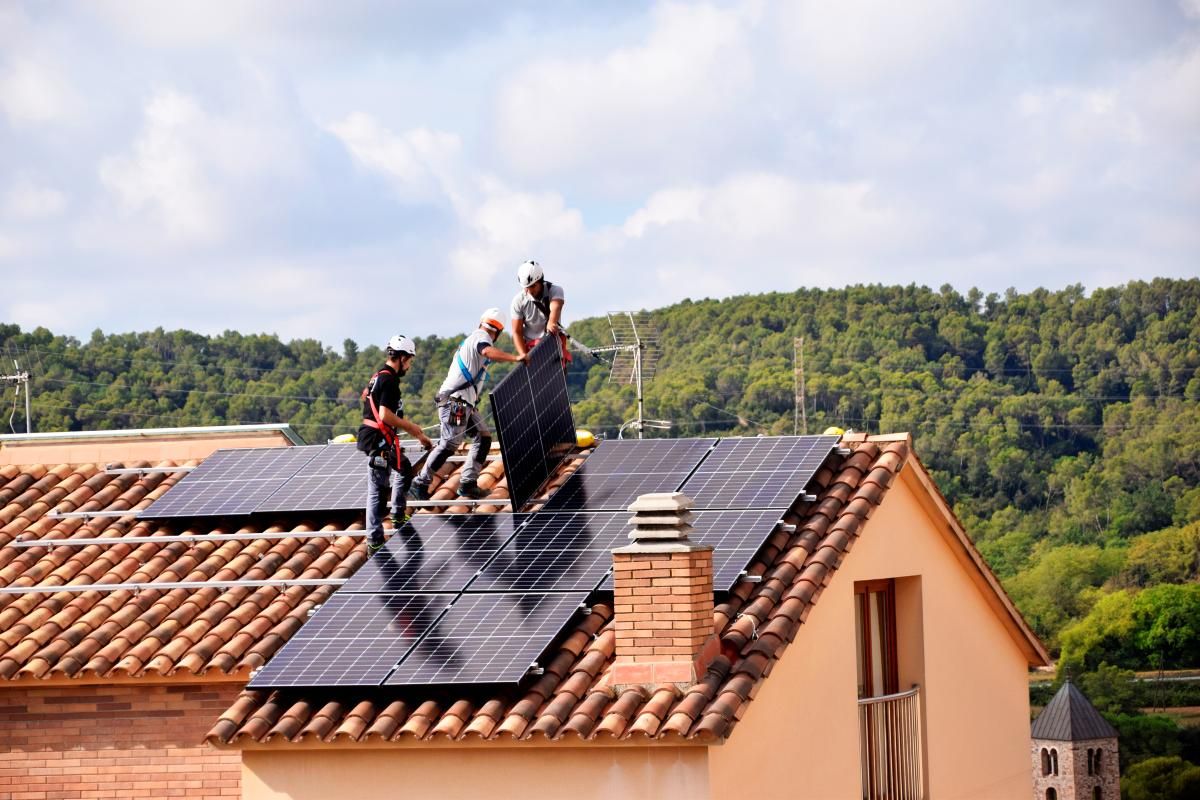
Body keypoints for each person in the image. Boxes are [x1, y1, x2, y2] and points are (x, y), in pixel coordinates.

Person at [409, 309, 526, 501]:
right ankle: (420, 483)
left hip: (464, 403)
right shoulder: (481, 337)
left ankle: (468, 483)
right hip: (456, 403)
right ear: (497, 331)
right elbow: (487, 351)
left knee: (483, 437)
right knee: (449, 444)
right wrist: (515, 358)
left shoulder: (473, 338)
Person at [357, 335, 433, 555]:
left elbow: (368, 397)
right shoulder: (389, 380)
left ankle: (398, 515)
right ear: (400, 358)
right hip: (377, 439)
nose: (409, 366)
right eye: (408, 360)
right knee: (378, 488)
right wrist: (415, 430)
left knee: (404, 469)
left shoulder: (378, 376)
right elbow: (385, 415)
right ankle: (374, 539)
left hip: (379, 437)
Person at [510, 260, 571, 365]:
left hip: (552, 344)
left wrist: (552, 322)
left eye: (533, 286)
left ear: (540, 281)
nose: (529, 291)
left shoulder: (555, 290)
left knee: (557, 377)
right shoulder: (518, 301)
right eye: (526, 287)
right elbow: (517, 332)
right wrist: (523, 355)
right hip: (532, 348)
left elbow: (556, 307)